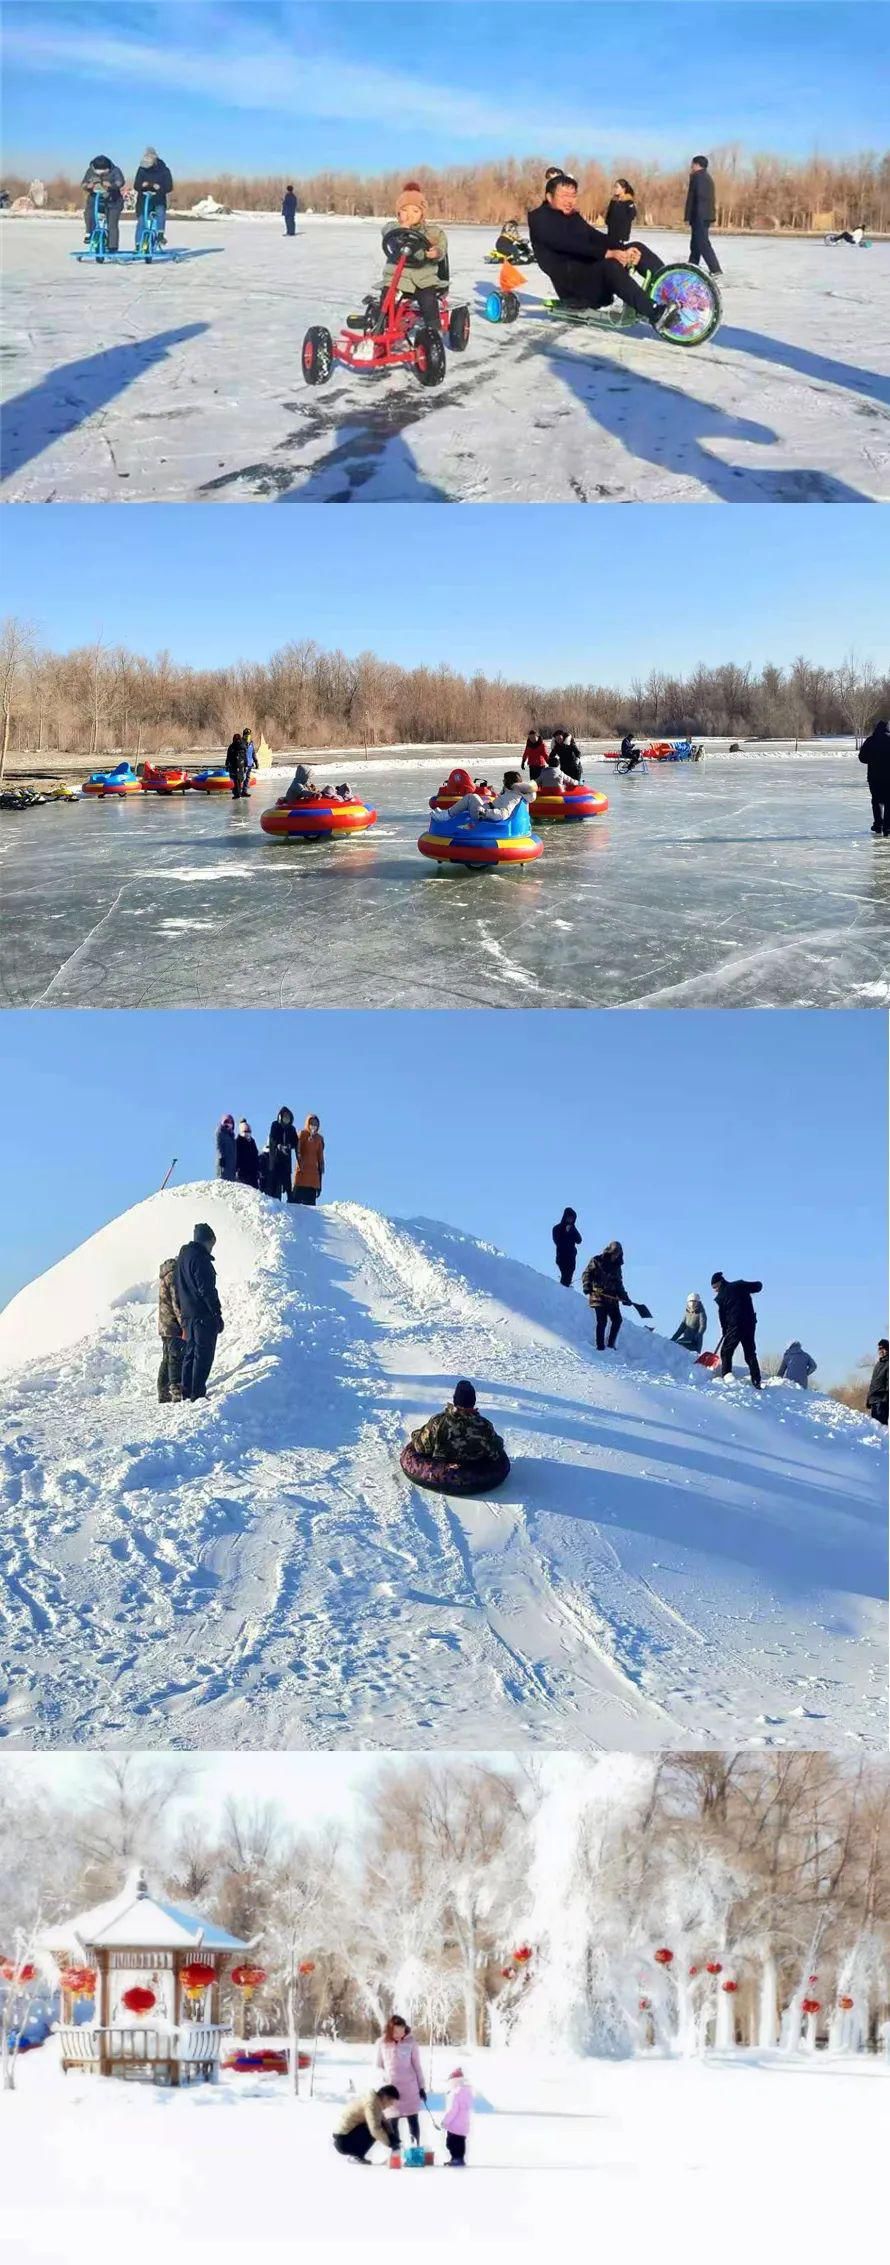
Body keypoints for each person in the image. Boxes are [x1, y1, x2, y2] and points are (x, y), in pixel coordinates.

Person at [528, 172, 673, 333]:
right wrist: (609, 253)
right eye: (564, 196)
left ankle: (672, 288)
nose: (570, 201)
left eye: (573, 196)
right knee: (610, 265)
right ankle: (655, 313)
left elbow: (596, 237)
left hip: (591, 274)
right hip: (575, 288)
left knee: (635, 246)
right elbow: (567, 244)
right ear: (549, 197)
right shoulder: (539, 219)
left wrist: (623, 250)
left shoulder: (573, 217)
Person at [382, 183, 449, 332]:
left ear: (422, 214)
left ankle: (433, 329)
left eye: (415, 210)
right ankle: (381, 327)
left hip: (422, 279)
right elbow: (386, 231)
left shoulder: (433, 232)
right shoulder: (393, 228)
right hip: (396, 279)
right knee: (387, 299)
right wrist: (400, 230)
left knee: (428, 300)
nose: (409, 214)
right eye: (404, 210)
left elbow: (442, 247)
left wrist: (437, 252)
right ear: (398, 213)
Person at [407, 1381, 507, 1471]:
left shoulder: (438, 1423)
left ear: (455, 1400)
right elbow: (496, 1452)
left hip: (443, 1466)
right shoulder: (484, 1425)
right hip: (474, 1467)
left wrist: (416, 1434)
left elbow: (420, 1447)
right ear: (473, 1401)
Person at [176, 1223, 224, 1402]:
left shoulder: (183, 1258)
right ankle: (197, 1393)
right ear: (206, 1241)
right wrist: (216, 1314)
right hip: (202, 1315)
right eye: (212, 1243)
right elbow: (207, 1289)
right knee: (203, 1355)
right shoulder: (200, 1259)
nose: (212, 1248)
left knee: (190, 1352)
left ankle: (186, 1390)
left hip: (187, 1315)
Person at [375, 2017, 427, 2147]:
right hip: (391, 2091)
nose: (400, 2034)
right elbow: (378, 2066)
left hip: (410, 2089)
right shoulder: (382, 2043)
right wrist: (384, 2080)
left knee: (413, 2119)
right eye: (396, 2032)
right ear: (390, 2030)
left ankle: (415, 2151)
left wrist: (421, 2087)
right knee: (392, 2122)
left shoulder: (411, 2042)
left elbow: (417, 2066)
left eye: (402, 2031)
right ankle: (396, 2151)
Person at [711, 1271, 762, 1388]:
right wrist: (751, 1287)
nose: (714, 1290)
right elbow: (758, 1286)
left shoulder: (721, 1296)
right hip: (750, 1323)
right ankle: (756, 1380)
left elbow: (722, 1316)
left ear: (720, 1282)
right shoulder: (739, 1285)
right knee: (750, 1352)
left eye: (715, 1287)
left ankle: (727, 1376)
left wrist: (724, 1330)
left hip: (735, 1326)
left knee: (726, 1351)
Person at [582, 1241, 633, 1350]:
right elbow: (587, 1274)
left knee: (617, 1320)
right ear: (609, 1251)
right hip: (598, 1296)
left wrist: (625, 1298)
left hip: (611, 1298)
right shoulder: (597, 1260)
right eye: (614, 1253)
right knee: (602, 1321)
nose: (616, 1256)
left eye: (618, 1254)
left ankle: (610, 1344)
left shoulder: (617, 1267)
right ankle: (600, 1346)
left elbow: (619, 1284)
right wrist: (587, 1285)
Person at [333, 2085, 400, 2163]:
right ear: (385, 2097)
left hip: (344, 2138)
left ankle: (357, 2155)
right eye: (391, 2102)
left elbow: (384, 2121)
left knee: (378, 2126)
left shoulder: (374, 2101)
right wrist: (390, 2144)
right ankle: (356, 2156)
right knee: (374, 2129)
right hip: (343, 2141)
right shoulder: (372, 2104)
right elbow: (375, 2129)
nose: (391, 2106)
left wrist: (392, 2135)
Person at [685, 156, 722, 276]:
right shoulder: (707, 177)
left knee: (702, 242)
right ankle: (692, 265)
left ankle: (715, 269)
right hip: (704, 215)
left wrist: (692, 216)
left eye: (692, 164)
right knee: (696, 243)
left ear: (697, 164)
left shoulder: (698, 177)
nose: (691, 166)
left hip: (699, 215)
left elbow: (697, 199)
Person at [81, 155, 125, 251]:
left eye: (103, 170)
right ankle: (90, 233)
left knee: (112, 224)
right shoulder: (90, 171)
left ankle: (112, 247)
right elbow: (83, 183)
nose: (100, 172)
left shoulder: (115, 170)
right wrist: (88, 185)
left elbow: (120, 182)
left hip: (113, 202)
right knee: (89, 213)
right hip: (96, 200)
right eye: (98, 170)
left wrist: (111, 185)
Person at [157, 1256, 184, 1404]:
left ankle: (163, 1392)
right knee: (175, 1357)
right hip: (173, 1324)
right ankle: (175, 1391)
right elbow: (177, 1302)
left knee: (167, 1357)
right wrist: (183, 1324)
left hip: (164, 1323)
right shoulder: (173, 1275)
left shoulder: (165, 1274)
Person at [133, 148, 173, 247]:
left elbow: (169, 186)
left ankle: (160, 235)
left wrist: (159, 187)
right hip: (144, 199)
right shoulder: (141, 169)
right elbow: (136, 185)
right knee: (141, 221)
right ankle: (138, 244)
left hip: (158, 199)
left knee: (160, 212)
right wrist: (142, 185)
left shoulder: (164, 170)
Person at [857, 718, 890, 836]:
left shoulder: (870, 741)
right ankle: (887, 827)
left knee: (876, 801)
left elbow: (862, 758)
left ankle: (878, 825)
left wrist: (873, 760)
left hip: (874, 777)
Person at [442, 2067, 473, 2166]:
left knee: (451, 2143)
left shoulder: (455, 2093)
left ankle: (456, 2158)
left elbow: (452, 2110)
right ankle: (458, 2158)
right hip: (464, 2124)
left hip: (454, 2125)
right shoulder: (467, 2092)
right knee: (460, 2143)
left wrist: (445, 2121)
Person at [292, 1113, 325, 1206]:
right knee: (294, 1204)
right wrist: (300, 1165)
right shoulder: (302, 1134)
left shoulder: (319, 1139)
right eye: (311, 1123)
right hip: (301, 1174)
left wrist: (319, 1184)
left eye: (316, 1123)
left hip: (313, 1178)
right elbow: (297, 1151)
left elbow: (320, 1158)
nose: (313, 1125)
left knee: (310, 1209)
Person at [268, 1106, 299, 1200]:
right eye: (284, 1116)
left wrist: (290, 1146)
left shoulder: (292, 1129)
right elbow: (272, 1139)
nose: (286, 1119)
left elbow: (295, 1142)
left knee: (288, 1186)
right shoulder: (275, 1125)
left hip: (286, 1161)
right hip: (276, 1160)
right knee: (275, 1185)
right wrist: (278, 1146)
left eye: (288, 1117)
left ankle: (292, 1205)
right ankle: (275, 1204)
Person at [553, 1208, 582, 1288]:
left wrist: (572, 1230)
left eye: (572, 1218)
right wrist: (566, 1232)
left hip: (571, 1257)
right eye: (569, 1217)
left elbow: (579, 1240)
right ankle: (563, 1290)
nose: (570, 1220)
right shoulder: (557, 1228)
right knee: (565, 1274)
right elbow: (558, 1242)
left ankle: (566, 1289)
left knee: (569, 1275)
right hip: (562, 1256)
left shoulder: (573, 1229)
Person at [605, 177, 636, 247]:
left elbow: (632, 214)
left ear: (623, 189)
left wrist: (623, 223)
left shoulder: (629, 201)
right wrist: (608, 221)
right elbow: (609, 213)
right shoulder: (613, 200)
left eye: (617, 187)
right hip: (611, 232)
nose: (615, 189)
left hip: (621, 233)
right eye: (614, 187)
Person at [866, 1340, 888, 1424]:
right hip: (874, 1400)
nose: (881, 1351)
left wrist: (886, 1397)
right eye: (879, 1349)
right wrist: (868, 1398)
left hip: (882, 1400)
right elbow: (873, 1383)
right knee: (876, 1427)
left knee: (882, 1427)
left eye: (883, 1349)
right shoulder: (878, 1364)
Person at [235, 1118, 259, 1188]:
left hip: (253, 1173)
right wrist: (237, 1169)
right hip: (242, 1173)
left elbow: (256, 1156)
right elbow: (237, 1156)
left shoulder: (252, 1142)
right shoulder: (238, 1142)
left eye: (249, 1132)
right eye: (245, 1132)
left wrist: (257, 1169)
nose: (247, 1134)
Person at [225, 731, 249, 800]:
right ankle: (239, 792)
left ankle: (237, 793)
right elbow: (245, 756)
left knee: (235, 780)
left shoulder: (232, 746)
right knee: (240, 779)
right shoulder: (243, 746)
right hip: (241, 765)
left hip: (234, 765)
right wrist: (246, 764)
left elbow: (228, 756)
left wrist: (227, 764)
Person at [216, 1113, 236, 1180]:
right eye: (226, 1122)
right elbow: (218, 1146)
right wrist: (221, 1157)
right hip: (224, 1162)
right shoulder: (220, 1132)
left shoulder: (232, 1137)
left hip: (231, 1164)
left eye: (230, 1122)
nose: (228, 1124)